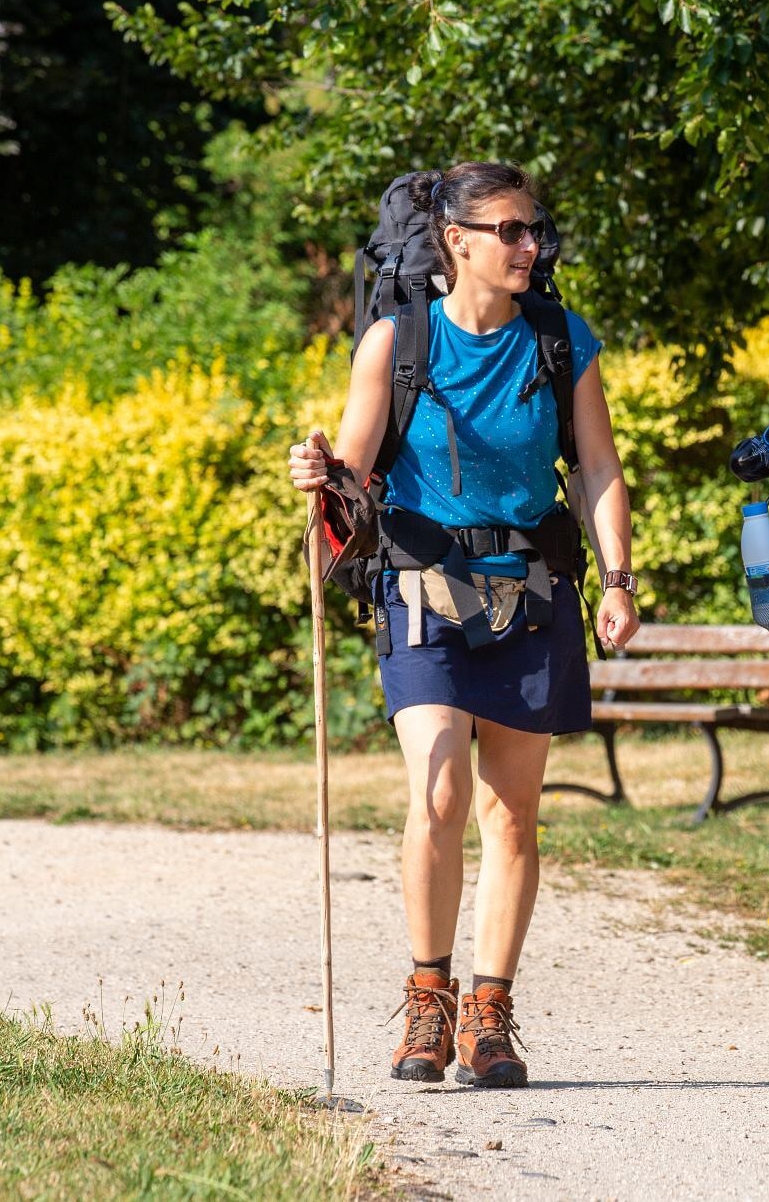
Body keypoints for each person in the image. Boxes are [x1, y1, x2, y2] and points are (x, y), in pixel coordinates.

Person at [289, 162, 639, 1090]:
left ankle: (490, 1015)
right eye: (512, 230)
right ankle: (427, 1001)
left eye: (535, 229)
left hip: (531, 592)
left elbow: (598, 468)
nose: (532, 245)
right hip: (422, 592)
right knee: (439, 793)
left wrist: (620, 577)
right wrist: (322, 472)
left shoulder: (561, 342)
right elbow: (356, 476)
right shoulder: (397, 343)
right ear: (458, 240)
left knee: (511, 816)